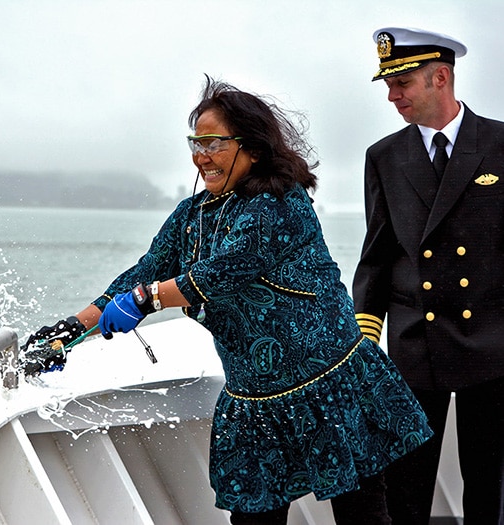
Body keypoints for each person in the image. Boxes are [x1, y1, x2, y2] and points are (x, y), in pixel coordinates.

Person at [29, 76, 432, 525]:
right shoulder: (191, 215)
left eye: (214, 143)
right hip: (253, 404)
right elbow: (144, 271)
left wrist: (146, 300)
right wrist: (71, 329)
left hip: (331, 389)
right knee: (253, 518)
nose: (202, 156)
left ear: (253, 148)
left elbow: (223, 270)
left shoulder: (282, 204)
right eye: (195, 143)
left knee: (363, 514)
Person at [353, 27, 504, 524]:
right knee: (408, 491)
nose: (393, 96)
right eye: (388, 86)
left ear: (440, 77)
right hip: (417, 347)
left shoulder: (500, 143)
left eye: (403, 84)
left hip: (494, 344)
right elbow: (377, 256)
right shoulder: (384, 156)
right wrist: (363, 341)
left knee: (492, 487)